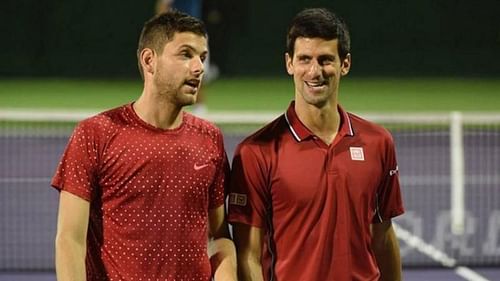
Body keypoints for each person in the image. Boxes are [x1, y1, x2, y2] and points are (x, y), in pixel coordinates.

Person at [52, 10, 236, 281]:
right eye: (186, 54)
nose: (199, 67)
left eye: (203, 57)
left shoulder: (210, 138)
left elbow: (218, 237)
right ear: (149, 60)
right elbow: (70, 240)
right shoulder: (95, 134)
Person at [228, 8, 404, 281]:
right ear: (289, 64)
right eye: (304, 59)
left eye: (325, 60)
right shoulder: (255, 152)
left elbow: (382, 237)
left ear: (345, 64)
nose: (315, 71)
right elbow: (247, 254)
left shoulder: (379, 143)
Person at [155, 0, 219, 116]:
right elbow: (163, 4)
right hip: (180, 35)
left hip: (195, 34)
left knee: (198, 74)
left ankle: (200, 111)